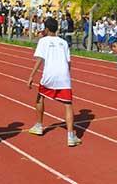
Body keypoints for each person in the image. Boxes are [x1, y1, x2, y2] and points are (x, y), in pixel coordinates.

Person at [27, 18, 82, 147]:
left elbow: (40, 59)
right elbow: (69, 62)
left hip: (49, 75)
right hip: (64, 76)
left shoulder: (43, 41)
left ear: (46, 29)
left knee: (40, 97)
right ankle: (70, 136)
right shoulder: (64, 43)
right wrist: (67, 76)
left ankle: (39, 125)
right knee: (68, 105)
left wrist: (31, 76)